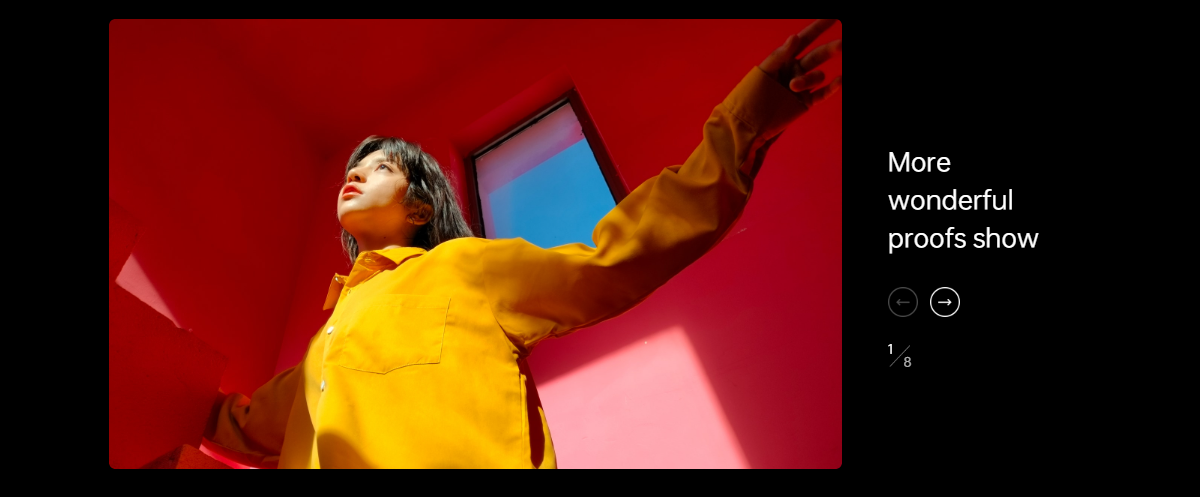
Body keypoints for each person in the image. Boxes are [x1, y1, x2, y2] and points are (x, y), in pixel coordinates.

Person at [204, 19, 842, 469]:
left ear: (420, 206)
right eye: (353, 168)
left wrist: (743, 125)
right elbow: (234, 425)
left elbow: (614, 259)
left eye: (380, 168)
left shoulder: (465, 268)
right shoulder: (322, 346)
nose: (355, 175)